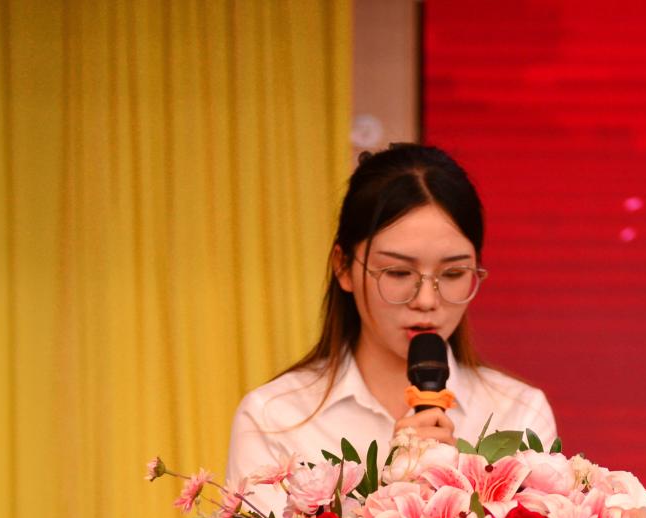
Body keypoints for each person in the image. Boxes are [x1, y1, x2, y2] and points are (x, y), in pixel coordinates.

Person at [224, 144, 556, 492]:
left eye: (453, 273)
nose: (427, 300)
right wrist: (398, 486)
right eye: (398, 272)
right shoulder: (275, 418)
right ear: (343, 267)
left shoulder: (518, 413)